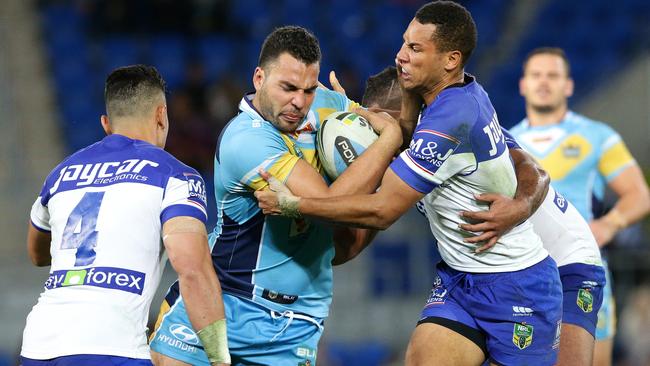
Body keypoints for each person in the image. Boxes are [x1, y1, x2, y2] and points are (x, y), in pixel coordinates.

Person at [255, 2, 564, 365]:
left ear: (450, 60)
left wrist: (295, 204)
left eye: (415, 49)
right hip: (460, 281)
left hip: (518, 284)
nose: (401, 55)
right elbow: (401, 130)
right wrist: (344, 109)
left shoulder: (452, 118)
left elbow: (384, 210)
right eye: (404, 43)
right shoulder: (448, 99)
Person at [149, 26, 404, 366]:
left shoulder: (328, 106)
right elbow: (328, 207)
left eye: (309, 90)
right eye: (287, 88)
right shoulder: (247, 139)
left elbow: (349, 242)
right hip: (221, 303)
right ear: (259, 78)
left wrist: (372, 151)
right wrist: (388, 142)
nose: (299, 101)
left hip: (295, 324)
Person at [363, 65, 608, 365]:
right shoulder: (399, 156)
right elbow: (370, 219)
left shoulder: (455, 127)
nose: (374, 131)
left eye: (378, 120)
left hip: (566, 261)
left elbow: (537, 172)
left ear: (399, 110)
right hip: (482, 276)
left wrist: (521, 206)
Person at [21, 65, 230, 366]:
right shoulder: (176, 176)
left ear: (106, 124)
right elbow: (193, 271)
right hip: (113, 348)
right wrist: (220, 358)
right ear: (161, 115)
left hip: (39, 347)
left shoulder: (61, 173)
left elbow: (37, 253)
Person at [510, 47, 650, 366]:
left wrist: (608, 225)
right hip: (525, 273)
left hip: (584, 272)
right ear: (523, 85)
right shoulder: (508, 142)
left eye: (553, 75)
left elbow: (639, 195)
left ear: (568, 86)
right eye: (536, 75)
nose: (544, 82)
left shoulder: (597, 137)